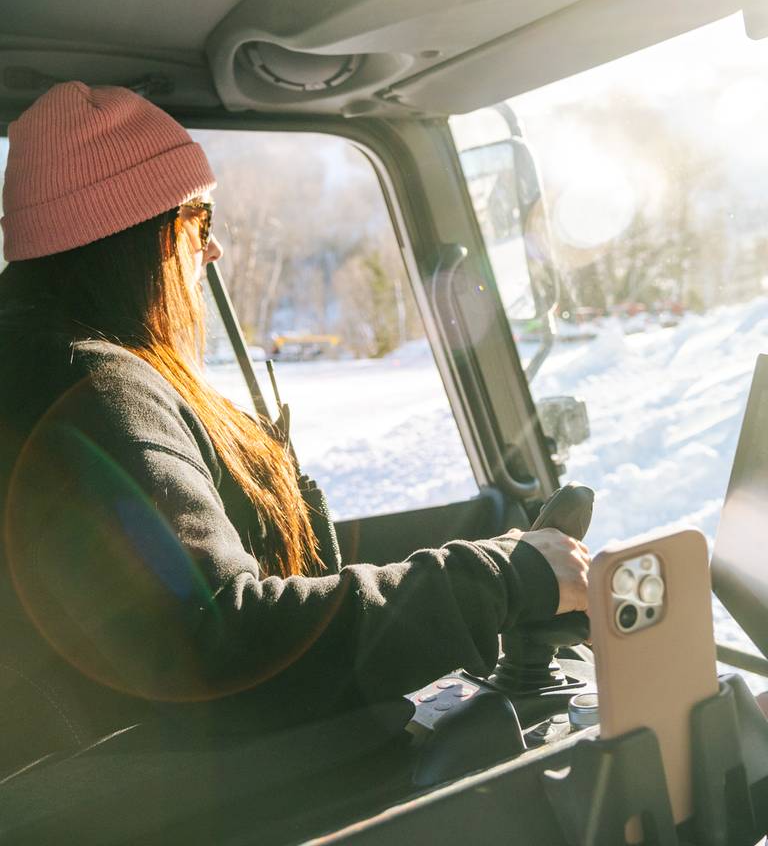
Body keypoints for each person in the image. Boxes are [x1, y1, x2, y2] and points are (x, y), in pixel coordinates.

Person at [0, 82, 590, 770]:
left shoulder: (48, 367)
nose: (212, 249)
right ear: (140, 234)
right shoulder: (90, 390)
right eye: (199, 218)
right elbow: (216, 645)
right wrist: (500, 580)